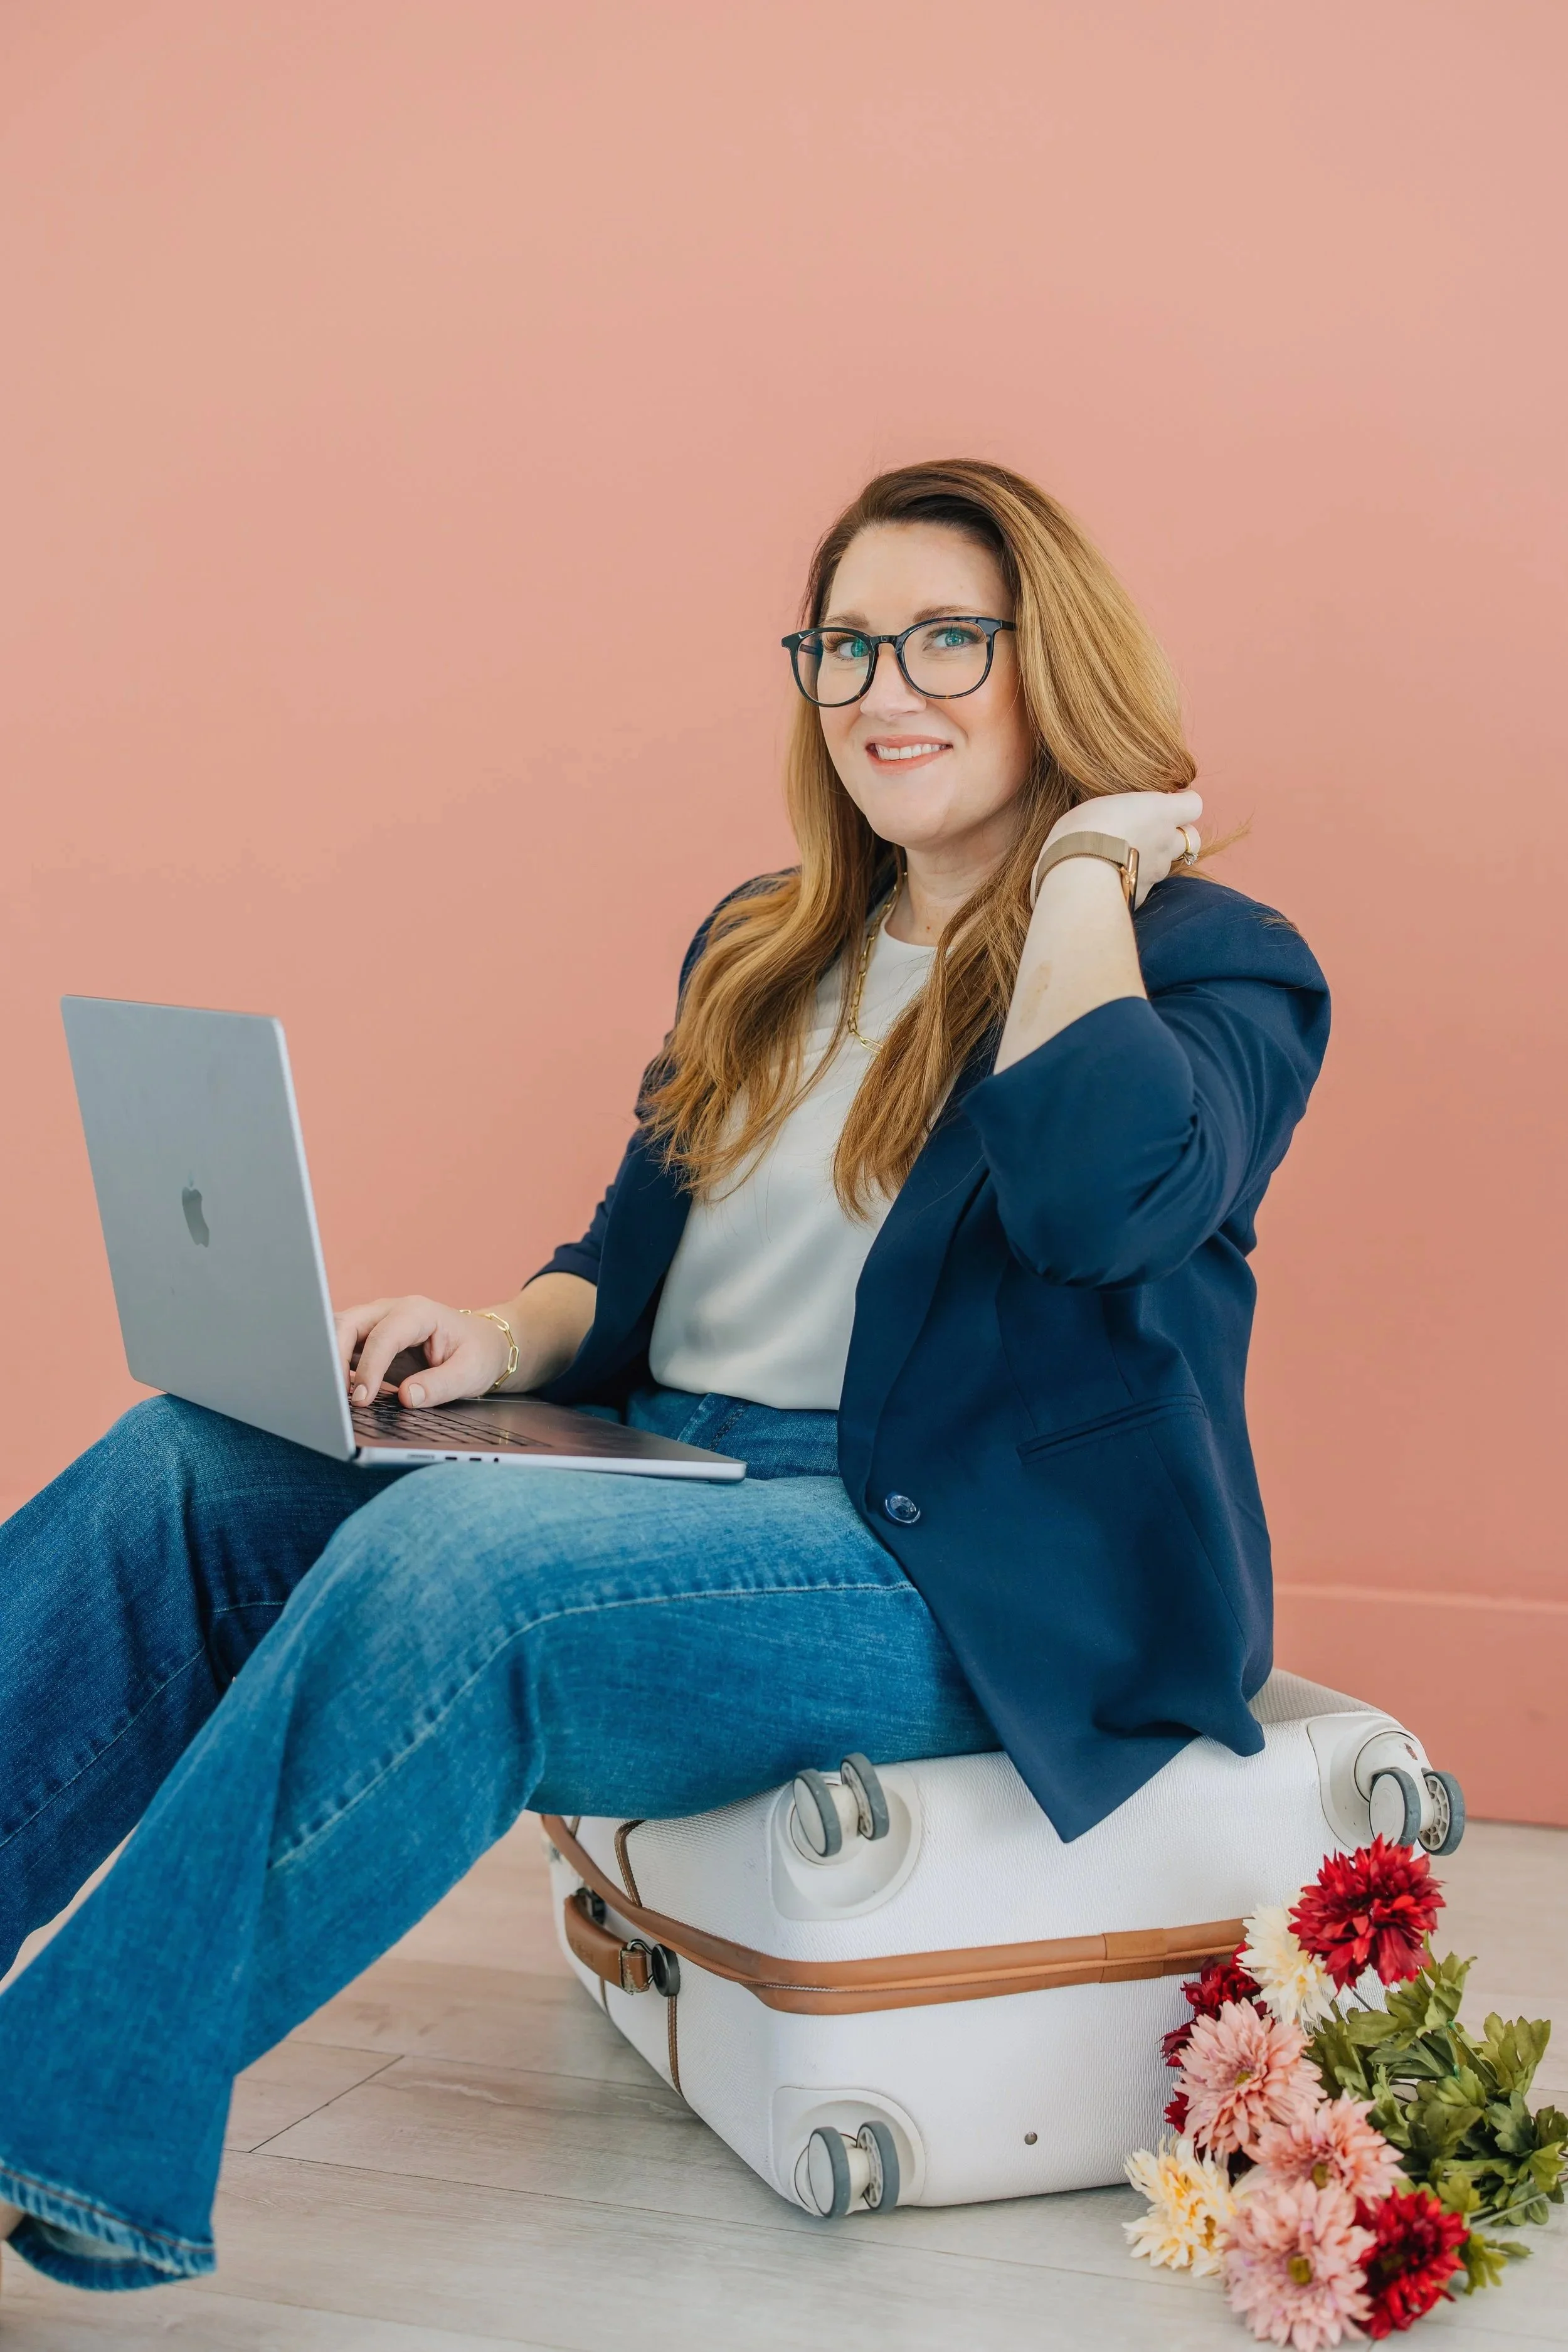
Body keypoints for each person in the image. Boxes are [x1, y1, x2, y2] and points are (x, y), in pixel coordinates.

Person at [0, 458, 1328, 2288]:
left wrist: (1088, 864)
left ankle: (61, 2123)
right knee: (189, 1465)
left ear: (1056, 660)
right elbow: (621, 1264)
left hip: (949, 1561)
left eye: (947, 636)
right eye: (844, 647)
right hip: (677, 1473)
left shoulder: (1213, 964)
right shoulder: (764, 944)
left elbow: (1103, 1199)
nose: (884, 688)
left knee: (469, 1565)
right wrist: (490, 1339)